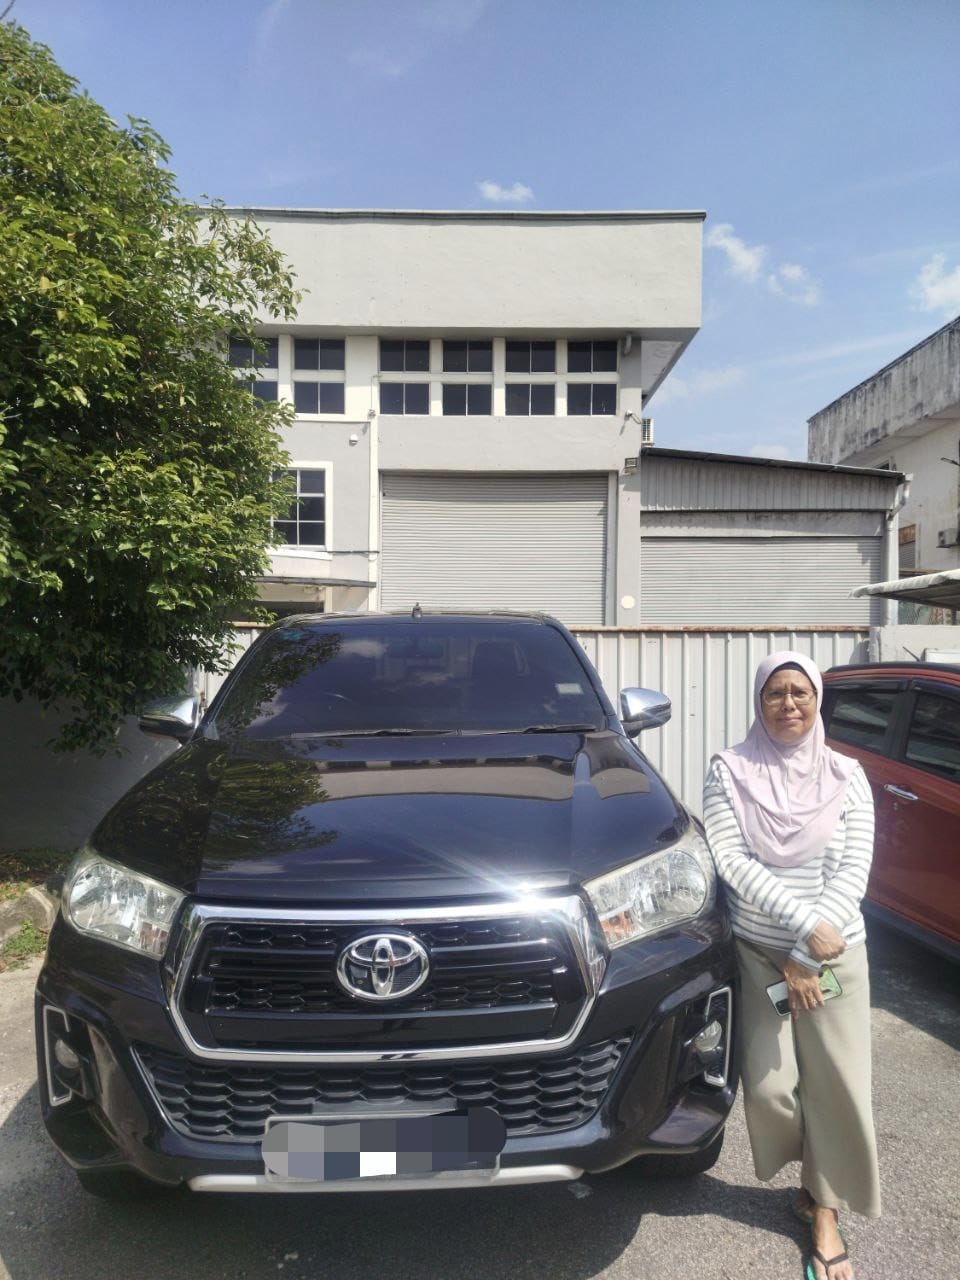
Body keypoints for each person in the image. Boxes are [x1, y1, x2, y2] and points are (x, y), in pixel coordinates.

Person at [703, 651, 880, 1280]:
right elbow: (731, 859)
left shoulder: (847, 775)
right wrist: (800, 930)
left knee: (836, 1085)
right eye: (775, 693)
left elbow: (854, 868)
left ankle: (824, 1209)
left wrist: (806, 954)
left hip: (834, 959)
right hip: (760, 954)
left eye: (800, 692)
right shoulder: (730, 770)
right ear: (759, 701)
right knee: (772, 1089)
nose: (788, 704)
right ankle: (809, 1173)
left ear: (817, 700)